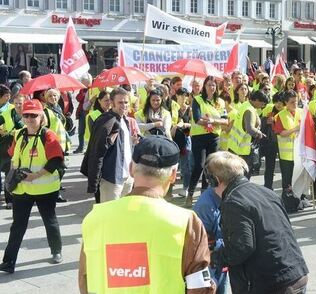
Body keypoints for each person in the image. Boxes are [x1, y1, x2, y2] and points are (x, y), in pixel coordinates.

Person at [79, 135, 215, 293]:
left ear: (131, 168)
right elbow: (199, 287)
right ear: (173, 175)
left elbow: (84, 278)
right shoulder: (186, 222)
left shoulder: (94, 218)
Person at [206, 151, 309, 294]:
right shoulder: (267, 192)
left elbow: (242, 247)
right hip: (295, 274)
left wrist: (212, 256)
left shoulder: (233, 202)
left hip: (271, 283)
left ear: (215, 180)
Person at [0, 99, 65, 273]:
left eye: (33, 115)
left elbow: (57, 160)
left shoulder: (48, 135)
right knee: (17, 226)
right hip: (22, 189)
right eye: (26, 115)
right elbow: (12, 155)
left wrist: (36, 175)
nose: (29, 119)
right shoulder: (19, 134)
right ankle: (8, 262)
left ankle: (56, 251)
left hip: (45, 189)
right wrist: (14, 173)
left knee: (49, 221)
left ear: (41, 116)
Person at [82, 87, 138, 203]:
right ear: (112, 103)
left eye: (126, 102)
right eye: (120, 102)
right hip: (111, 178)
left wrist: (132, 142)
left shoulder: (125, 120)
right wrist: (94, 181)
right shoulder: (106, 121)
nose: (124, 105)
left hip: (128, 176)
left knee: (124, 214)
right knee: (109, 216)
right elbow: (96, 152)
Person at [187, 76, 228, 207]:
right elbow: (198, 119)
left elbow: (225, 120)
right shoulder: (198, 100)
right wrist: (210, 122)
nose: (212, 87)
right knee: (199, 165)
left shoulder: (220, 102)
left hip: (213, 136)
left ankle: (204, 194)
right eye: (209, 85)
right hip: (199, 136)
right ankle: (190, 192)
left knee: (210, 167)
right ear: (204, 86)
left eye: (214, 85)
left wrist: (213, 122)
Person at [228, 90, 268, 179]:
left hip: (234, 146)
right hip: (242, 149)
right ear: (257, 100)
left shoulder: (246, 105)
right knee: (243, 176)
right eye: (262, 104)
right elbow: (250, 129)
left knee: (234, 176)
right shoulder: (249, 110)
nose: (262, 106)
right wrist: (259, 134)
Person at [0, 93, 25, 209]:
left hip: (26, 149)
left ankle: (23, 197)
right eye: (16, 103)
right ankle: (9, 200)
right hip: (8, 148)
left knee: (23, 172)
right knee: (9, 173)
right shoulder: (6, 115)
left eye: (21, 103)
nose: (19, 106)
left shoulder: (31, 114)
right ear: (12, 104)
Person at [274, 90, 301, 190]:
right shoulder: (280, 116)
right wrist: (295, 129)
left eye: (296, 101)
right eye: (292, 102)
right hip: (286, 156)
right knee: (287, 180)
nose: (295, 104)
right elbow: (281, 133)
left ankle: (300, 199)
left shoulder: (302, 112)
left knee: (299, 179)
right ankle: (287, 200)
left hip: (300, 153)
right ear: (286, 103)